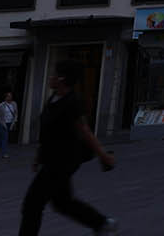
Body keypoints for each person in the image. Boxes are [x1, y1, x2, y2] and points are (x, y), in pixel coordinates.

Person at [20, 59, 117, 235]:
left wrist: (103, 155)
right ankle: (102, 223)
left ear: (62, 79)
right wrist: (38, 157)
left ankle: (102, 223)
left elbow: (85, 131)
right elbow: (48, 133)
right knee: (62, 202)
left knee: (32, 204)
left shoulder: (72, 102)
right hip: (52, 160)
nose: (50, 77)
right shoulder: (54, 98)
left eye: (53, 74)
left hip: (62, 161)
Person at [0, 89, 19, 158]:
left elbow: (16, 113)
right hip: (2, 124)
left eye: (11, 96)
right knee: (5, 138)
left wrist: (14, 122)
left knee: (1, 139)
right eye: (8, 96)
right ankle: (4, 153)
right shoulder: (1, 105)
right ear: (5, 97)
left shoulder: (14, 104)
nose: (10, 97)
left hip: (9, 123)